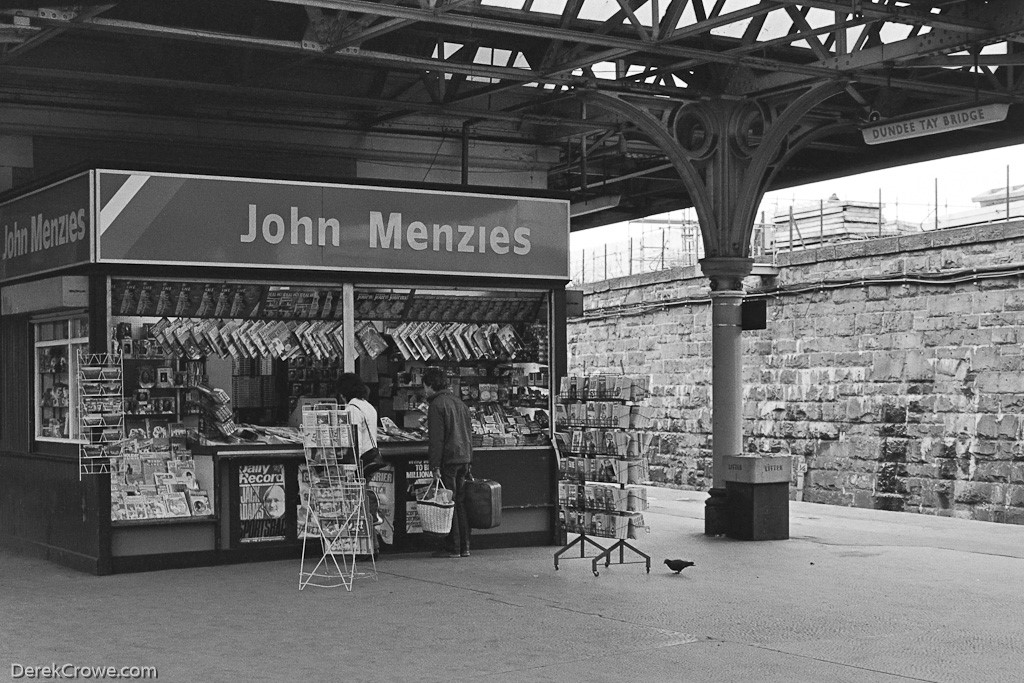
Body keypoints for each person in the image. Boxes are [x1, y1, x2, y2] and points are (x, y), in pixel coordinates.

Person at [422, 366, 473, 558]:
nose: (424, 391)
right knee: (459, 502)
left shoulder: (436, 405)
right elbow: (468, 433)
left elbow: (436, 440)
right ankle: (465, 546)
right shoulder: (459, 403)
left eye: (425, 386)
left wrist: (435, 466)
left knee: (448, 503)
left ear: (431, 386)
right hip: (464, 457)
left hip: (449, 459)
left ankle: (453, 546)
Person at [337, 372, 385, 479]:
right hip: (371, 457)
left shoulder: (353, 409)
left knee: (357, 493)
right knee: (364, 491)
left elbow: (354, 441)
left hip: (361, 462)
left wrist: (350, 469)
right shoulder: (368, 406)